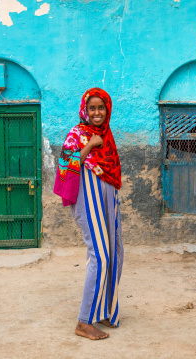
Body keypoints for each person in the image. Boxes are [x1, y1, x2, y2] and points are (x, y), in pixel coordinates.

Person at [54, 87, 123, 340]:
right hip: (87, 200)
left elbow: (111, 168)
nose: (96, 112)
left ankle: (104, 309)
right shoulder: (78, 134)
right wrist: (90, 145)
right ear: (85, 109)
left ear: (107, 110)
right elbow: (64, 165)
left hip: (108, 200)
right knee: (101, 256)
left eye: (101, 108)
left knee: (115, 253)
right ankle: (84, 322)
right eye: (92, 108)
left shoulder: (108, 133)